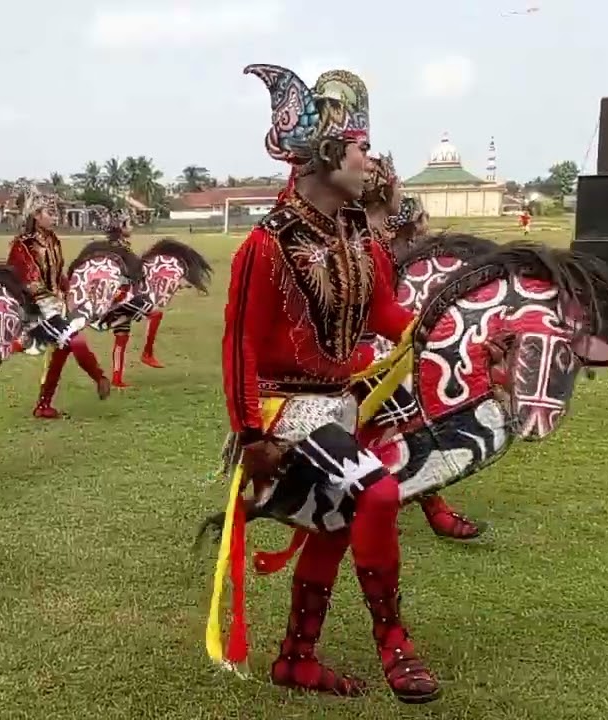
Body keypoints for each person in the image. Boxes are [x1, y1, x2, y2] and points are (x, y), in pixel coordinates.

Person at [222, 66, 439, 703]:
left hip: (338, 409)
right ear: (326, 154)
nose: (370, 161)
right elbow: (239, 345)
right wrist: (250, 435)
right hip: (282, 412)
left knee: (337, 523)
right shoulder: (265, 245)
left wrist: (442, 322)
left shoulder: (354, 237)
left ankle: (296, 659)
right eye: (361, 148)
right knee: (375, 495)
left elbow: (385, 315)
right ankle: (393, 640)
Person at [359, 159, 482, 540]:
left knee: (404, 423)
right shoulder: (365, 241)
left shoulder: (381, 239)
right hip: (357, 352)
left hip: (383, 340)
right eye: (417, 231)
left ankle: (422, 503)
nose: (422, 237)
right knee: (399, 424)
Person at [7, 187, 111, 418]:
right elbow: (29, 282)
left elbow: (58, 274)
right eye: (49, 211)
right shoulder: (23, 245)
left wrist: (70, 291)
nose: (55, 216)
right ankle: (100, 377)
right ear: (36, 215)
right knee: (74, 341)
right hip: (36, 307)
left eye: (55, 212)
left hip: (55, 303)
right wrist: (53, 302)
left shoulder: (53, 240)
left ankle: (43, 405)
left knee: (61, 351)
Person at [102, 209, 165, 387]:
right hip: (121, 296)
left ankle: (117, 378)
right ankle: (147, 353)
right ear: (120, 227)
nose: (132, 227)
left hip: (113, 298)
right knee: (155, 314)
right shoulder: (118, 248)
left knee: (121, 336)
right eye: (128, 223)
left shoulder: (114, 246)